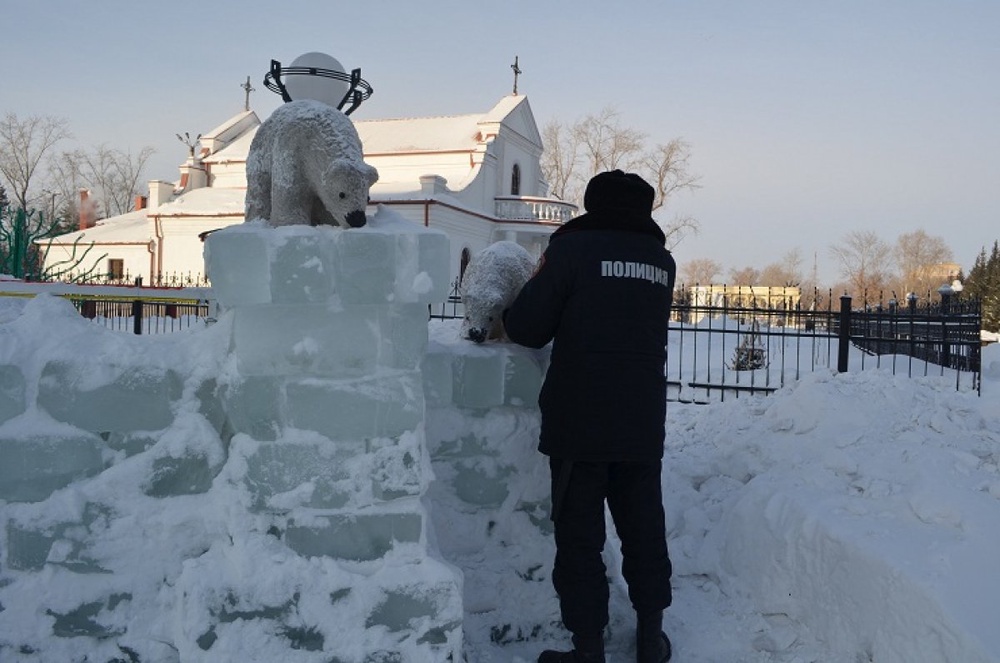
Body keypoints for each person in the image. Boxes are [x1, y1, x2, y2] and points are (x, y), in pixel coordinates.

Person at [503, 170, 676, 663]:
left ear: (592, 205)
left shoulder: (572, 251)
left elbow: (528, 329)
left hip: (579, 421)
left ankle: (588, 649)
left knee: (580, 540)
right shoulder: (663, 262)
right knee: (645, 530)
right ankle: (650, 641)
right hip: (641, 422)